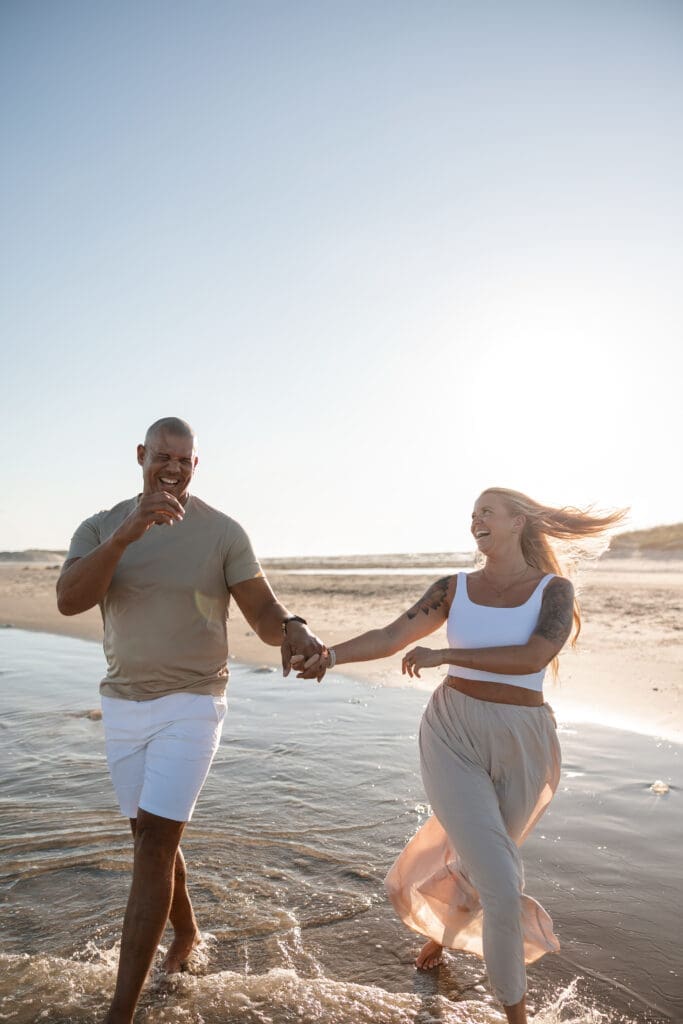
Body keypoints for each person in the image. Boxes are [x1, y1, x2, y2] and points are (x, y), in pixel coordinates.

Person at [295, 487, 626, 1024]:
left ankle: (442, 934)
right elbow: (392, 634)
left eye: (487, 512)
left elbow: (534, 656)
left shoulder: (554, 591)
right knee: (501, 883)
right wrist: (330, 656)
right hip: (452, 730)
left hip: (523, 738)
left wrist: (446, 653)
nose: (476, 521)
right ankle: (516, 1017)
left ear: (518, 522)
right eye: (472, 515)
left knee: (485, 860)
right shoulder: (454, 588)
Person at [56, 417, 326, 1024]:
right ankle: (187, 932)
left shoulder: (222, 531)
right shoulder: (99, 527)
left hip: (195, 701)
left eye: (185, 459)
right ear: (141, 455)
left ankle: (120, 1013)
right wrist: (126, 535)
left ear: (195, 464)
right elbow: (70, 599)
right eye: (163, 456)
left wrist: (294, 628)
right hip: (123, 703)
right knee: (149, 835)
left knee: (154, 843)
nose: (174, 468)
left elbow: (262, 609)